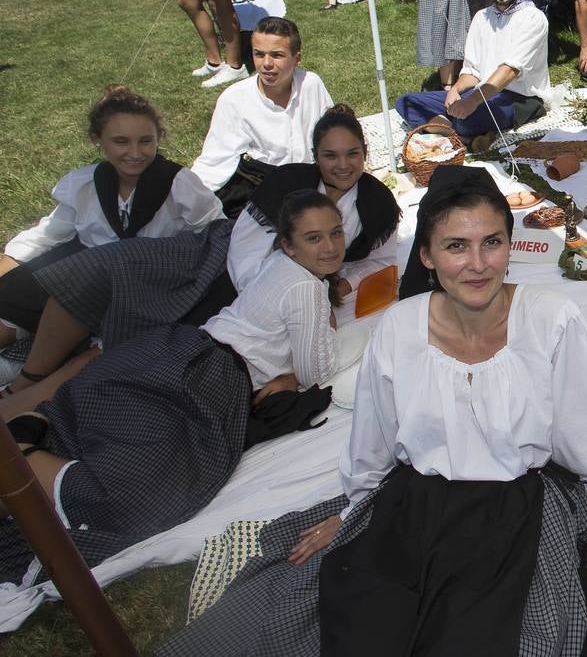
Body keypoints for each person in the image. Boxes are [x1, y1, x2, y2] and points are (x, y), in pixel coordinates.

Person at [160, 165, 587, 656]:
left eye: (491, 242)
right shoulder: (400, 327)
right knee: (348, 619)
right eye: (456, 246)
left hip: (514, 507)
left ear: (509, 245)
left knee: (485, 633)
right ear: (427, 255)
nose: (477, 264)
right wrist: (352, 511)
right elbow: (374, 436)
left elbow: (586, 418)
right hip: (419, 505)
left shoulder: (552, 317)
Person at [0, 191, 343, 584]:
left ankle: (25, 448)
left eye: (335, 233)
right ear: (289, 244)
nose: (330, 246)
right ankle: (24, 454)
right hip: (210, 379)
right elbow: (317, 367)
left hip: (177, 352)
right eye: (314, 238)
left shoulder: (282, 267)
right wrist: (301, 362)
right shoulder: (307, 287)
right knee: (148, 490)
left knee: (108, 432)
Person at [0, 86, 222, 371]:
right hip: (91, 279)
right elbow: (49, 234)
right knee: (19, 298)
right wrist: (10, 259)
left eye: (145, 141)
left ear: (159, 138)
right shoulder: (84, 185)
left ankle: (31, 377)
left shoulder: (179, 185)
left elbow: (216, 232)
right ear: (98, 140)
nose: (135, 153)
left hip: (149, 283)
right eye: (120, 142)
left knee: (100, 347)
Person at [228, 105, 400, 297]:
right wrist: (278, 298)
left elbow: (381, 260)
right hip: (267, 290)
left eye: (352, 153)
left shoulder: (379, 200)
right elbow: (246, 256)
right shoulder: (283, 184)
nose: (343, 165)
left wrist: (345, 284)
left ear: (365, 152)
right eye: (330, 156)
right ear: (315, 155)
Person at [190, 16, 335, 216]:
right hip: (262, 185)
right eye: (259, 54)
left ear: (296, 58)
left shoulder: (311, 84)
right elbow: (215, 160)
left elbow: (332, 134)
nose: (266, 64)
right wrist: (187, 196)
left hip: (311, 181)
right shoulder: (234, 99)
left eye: (277, 55)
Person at [395, 0, 550, 136]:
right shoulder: (481, 17)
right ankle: (457, 133)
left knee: (466, 120)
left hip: (520, 98)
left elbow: (510, 70)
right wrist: (455, 89)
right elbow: (472, 71)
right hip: (481, 92)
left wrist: (471, 102)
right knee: (406, 102)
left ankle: (451, 129)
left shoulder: (532, 18)